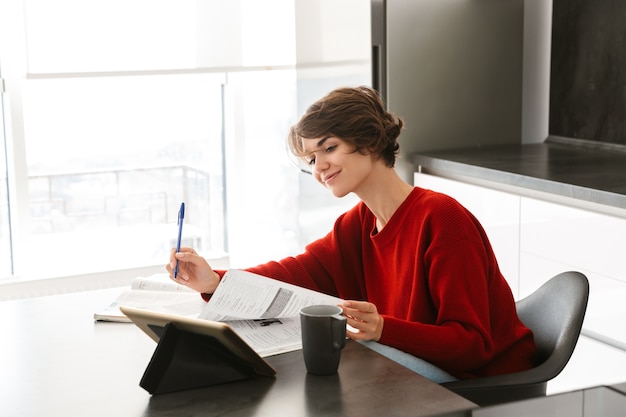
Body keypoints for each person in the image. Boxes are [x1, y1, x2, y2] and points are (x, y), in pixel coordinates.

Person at [166, 86, 536, 383]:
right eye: (312, 159)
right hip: (415, 363)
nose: (320, 166)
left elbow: (472, 346)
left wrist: (382, 328)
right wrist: (215, 280)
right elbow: (298, 271)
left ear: (370, 141)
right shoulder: (357, 224)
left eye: (329, 148)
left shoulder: (442, 219)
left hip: (478, 381)